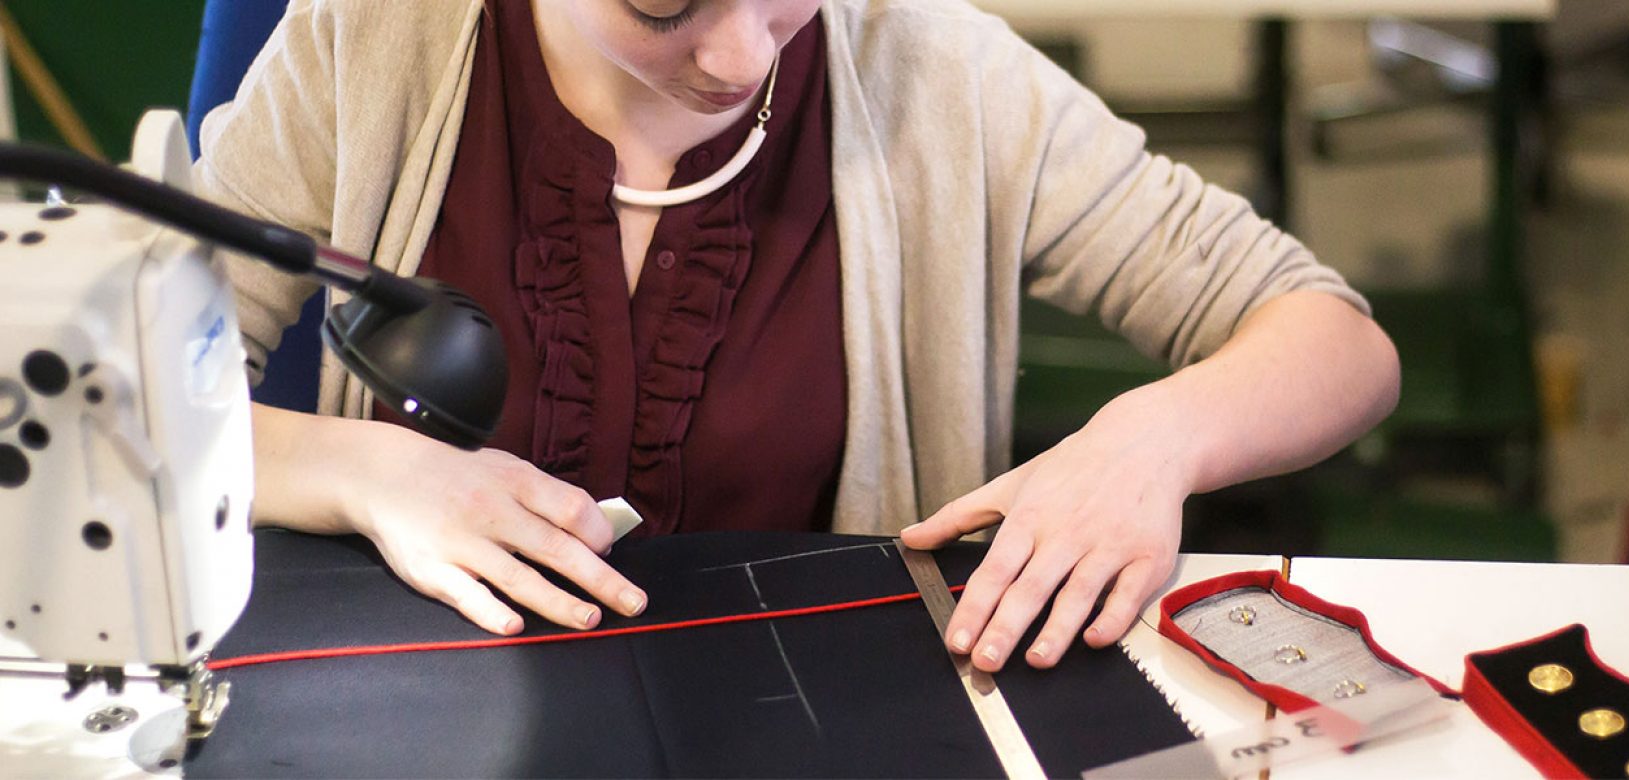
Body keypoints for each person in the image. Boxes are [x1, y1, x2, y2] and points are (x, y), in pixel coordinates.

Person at [201, 0, 1399, 675]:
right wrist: (361, 469)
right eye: (663, 5)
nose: (740, 56)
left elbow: (1334, 341)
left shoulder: (942, 75)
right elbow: (97, 400)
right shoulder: (368, 45)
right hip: (428, 716)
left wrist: (1151, 443)